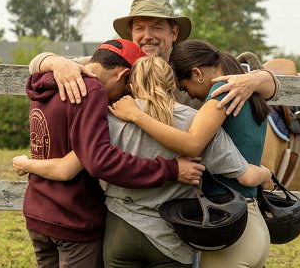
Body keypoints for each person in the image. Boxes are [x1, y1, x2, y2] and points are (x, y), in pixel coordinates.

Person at [14, 55, 272, 267]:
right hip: (172, 236)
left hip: (120, 232)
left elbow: (68, 167)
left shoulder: (110, 121)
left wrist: (27, 164)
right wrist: (266, 175)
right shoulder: (199, 123)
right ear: (173, 85)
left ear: (132, 85)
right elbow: (245, 175)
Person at [18, 39, 205, 268]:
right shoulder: (94, 91)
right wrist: (171, 168)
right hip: (73, 216)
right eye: (128, 86)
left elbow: (70, 160)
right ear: (122, 74)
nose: (126, 95)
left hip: (38, 211)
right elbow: (101, 162)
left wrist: (27, 164)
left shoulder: (48, 83)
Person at [109, 40, 273, 268]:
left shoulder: (221, 95)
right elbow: (273, 85)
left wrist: (136, 115)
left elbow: (193, 143)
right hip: (251, 222)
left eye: (185, 88)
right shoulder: (247, 90)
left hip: (226, 226)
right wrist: (265, 174)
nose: (192, 97)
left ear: (197, 73)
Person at [28, 0, 280, 115]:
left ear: (174, 32)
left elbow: (273, 87)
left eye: (156, 27)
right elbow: (36, 63)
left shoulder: (192, 64)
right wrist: (59, 63)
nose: (147, 35)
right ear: (131, 34)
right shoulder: (116, 62)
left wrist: (253, 80)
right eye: (140, 28)